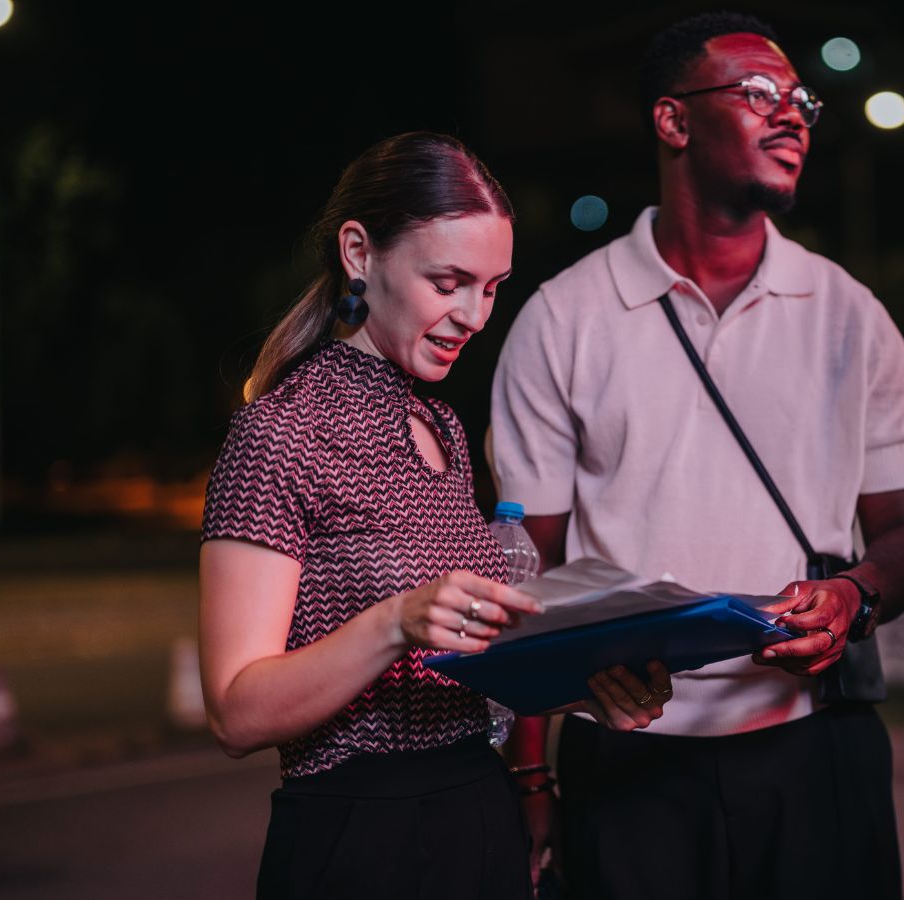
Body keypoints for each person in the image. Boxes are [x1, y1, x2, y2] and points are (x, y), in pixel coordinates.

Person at [490, 12, 904, 900]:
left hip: (817, 749)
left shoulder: (849, 313)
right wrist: (531, 775)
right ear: (673, 120)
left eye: (801, 100)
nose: (792, 114)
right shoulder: (563, 317)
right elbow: (523, 567)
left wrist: (854, 595)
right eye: (759, 93)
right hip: (626, 758)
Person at [199, 132, 670, 900]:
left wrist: (584, 688)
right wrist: (395, 623)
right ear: (359, 252)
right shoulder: (279, 434)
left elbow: (458, 680)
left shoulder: (442, 426)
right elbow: (235, 713)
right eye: (448, 282)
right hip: (357, 839)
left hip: (478, 813)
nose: (473, 315)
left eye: (491, 288)